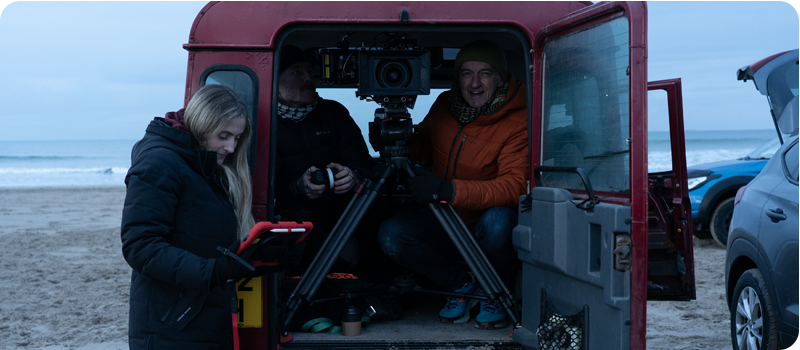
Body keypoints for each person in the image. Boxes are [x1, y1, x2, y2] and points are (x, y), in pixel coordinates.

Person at [377, 40, 529, 330]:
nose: (474, 83)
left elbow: (514, 187)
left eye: (484, 73)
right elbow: (424, 147)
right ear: (457, 77)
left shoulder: (518, 120)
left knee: (500, 222)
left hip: (483, 222)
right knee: (392, 234)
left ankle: (492, 291)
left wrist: (449, 191)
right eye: (466, 73)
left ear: (499, 78)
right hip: (443, 218)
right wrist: (396, 136)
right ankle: (461, 286)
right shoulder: (444, 104)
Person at [121, 84, 270, 349]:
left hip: (203, 319)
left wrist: (265, 254)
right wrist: (213, 271)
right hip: (170, 324)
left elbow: (207, 238)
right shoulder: (160, 164)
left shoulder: (207, 167)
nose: (231, 147)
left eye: (236, 138)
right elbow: (141, 247)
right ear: (201, 125)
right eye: (223, 136)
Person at [273, 45, 381, 273]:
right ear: (274, 79)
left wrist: (353, 176)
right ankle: (336, 282)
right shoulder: (264, 121)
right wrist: (298, 186)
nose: (308, 78)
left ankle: (376, 283)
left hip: (339, 202)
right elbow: (262, 187)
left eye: (310, 72)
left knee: (371, 204)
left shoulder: (333, 113)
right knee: (297, 219)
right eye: (296, 72)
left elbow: (366, 166)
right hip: (293, 207)